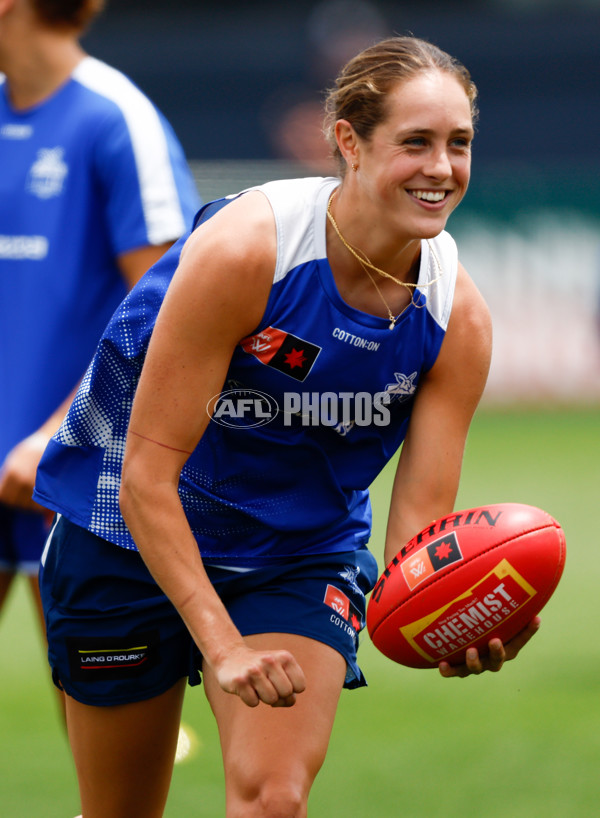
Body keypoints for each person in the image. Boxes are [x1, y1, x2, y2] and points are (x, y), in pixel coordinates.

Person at [34, 36, 539, 818]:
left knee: (275, 800)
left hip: (294, 556)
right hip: (126, 530)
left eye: (459, 144)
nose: (442, 168)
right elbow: (145, 476)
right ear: (348, 141)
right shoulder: (246, 253)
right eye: (416, 142)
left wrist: (451, 617)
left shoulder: (456, 317)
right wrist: (222, 642)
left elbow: (415, 538)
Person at [0, 0, 200, 710]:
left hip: (75, 477)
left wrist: (58, 431)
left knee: (107, 735)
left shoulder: (117, 118)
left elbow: (171, 311)